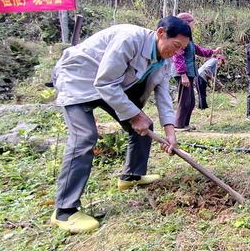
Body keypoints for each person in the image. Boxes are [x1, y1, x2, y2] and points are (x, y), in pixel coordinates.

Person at [50, 16, 191, 233]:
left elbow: (163, 95)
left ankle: (131, 176)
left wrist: (170, 131)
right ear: (161, 32)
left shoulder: (164, 59)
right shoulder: (129, 39)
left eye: (182, 48)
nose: (177, 52)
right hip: (77, 80)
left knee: (145, 127)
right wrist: (135, 116)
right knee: (85, 137)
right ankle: (64, 210)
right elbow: (104, 82)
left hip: (111, 87)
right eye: (176, 45)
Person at [172, 12, 222, 131]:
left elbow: (198, 49)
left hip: (190, 73)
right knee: (184, 100)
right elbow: (177, 57)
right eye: (192, 23)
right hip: (184, 73)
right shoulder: (180, 38)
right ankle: (178, 125)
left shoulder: (188, 38)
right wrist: (183, 74)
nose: (193, 26)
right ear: (186, 23)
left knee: (191, 101)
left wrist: (212, 52)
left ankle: (185, 124)